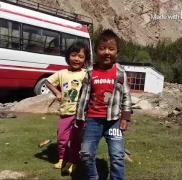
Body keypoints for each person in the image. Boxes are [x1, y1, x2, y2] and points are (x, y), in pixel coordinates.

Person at [75, 29, 132, 180]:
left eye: (111, 49)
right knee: (86, 154)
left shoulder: (120, 72)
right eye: (102, 48)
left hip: (113, 122)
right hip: (92, 120)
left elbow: (126, 96)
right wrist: (79, 117)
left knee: (118, 156)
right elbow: (83, 97)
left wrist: (125, 117)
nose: (107, 52)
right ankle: (93, 177)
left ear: (117, 52)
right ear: (96, 51)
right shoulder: (90, 72)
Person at [45, 41, 90, 174]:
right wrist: (57, 92)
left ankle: (73, 161)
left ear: (85, 60)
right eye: (74, 55)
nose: (76, 59)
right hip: (65, 113)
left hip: (79, 114)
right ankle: (61, 159)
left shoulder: (86, 73)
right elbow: (48, 82)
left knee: (76, 140)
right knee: (62, 138)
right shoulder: (61, 73)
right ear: (68, 56)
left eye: (81, 57)